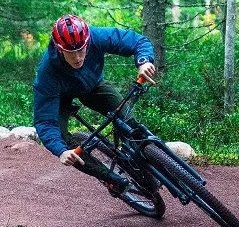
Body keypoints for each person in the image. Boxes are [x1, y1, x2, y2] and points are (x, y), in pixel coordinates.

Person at [32, 14, 156, 195]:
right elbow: (44, 121)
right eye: (70, 52)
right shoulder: (47, 73)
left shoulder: (95, 36)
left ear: (87, 41)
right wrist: (60, 151)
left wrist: (144, 62)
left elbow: (137, 41)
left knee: (128, 122)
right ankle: (111, 178)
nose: (77, 57)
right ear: (59, 49)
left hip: (93, 85)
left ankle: (145, 163)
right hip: (61, 97)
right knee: (65, 143)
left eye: (81, 50)